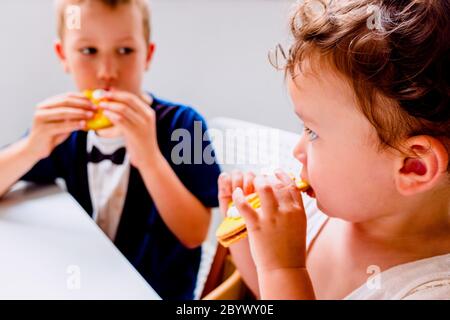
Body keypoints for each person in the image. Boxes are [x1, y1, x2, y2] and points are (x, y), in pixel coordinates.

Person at [218, 0, 450, 299]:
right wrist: (249, 242)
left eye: (313, 132)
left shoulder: (431, 292)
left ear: (413, 166)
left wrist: (283, 270)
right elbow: (264, 293)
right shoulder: (318, 209)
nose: (297, 151)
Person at [0, 0, 221, 300]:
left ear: (148, 56)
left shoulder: (185, 124)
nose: (107, 72)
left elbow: (195, 233)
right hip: (87, 282)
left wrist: (150, 159)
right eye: (88, 51)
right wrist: (31, 147)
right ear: (63, 55)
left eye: (125, 51)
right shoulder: (66, 128)